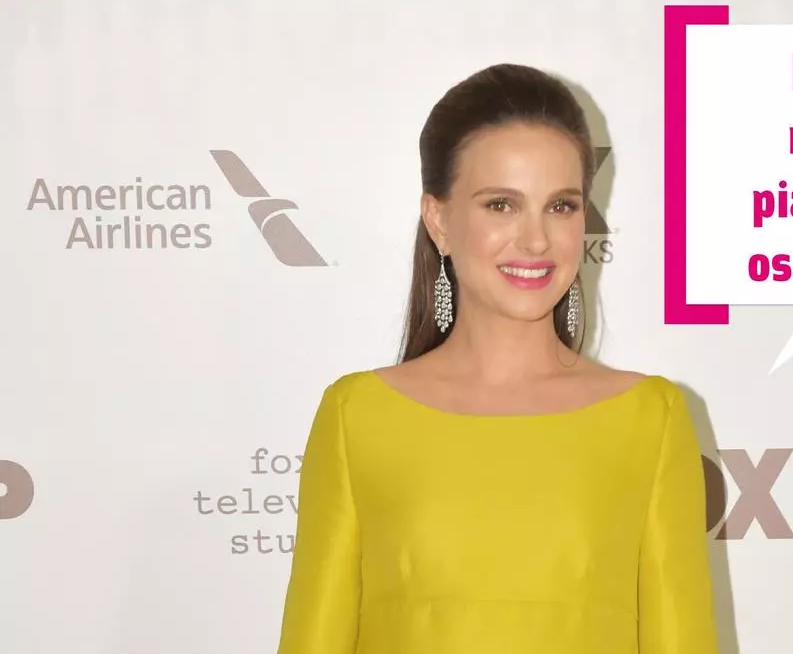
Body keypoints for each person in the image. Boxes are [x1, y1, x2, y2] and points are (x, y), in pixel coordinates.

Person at [275, 63, 720, 654]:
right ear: (439, 220)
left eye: (561, 206)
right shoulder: (356, 416)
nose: (536, 240)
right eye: (502, 205)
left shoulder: (649, 419)